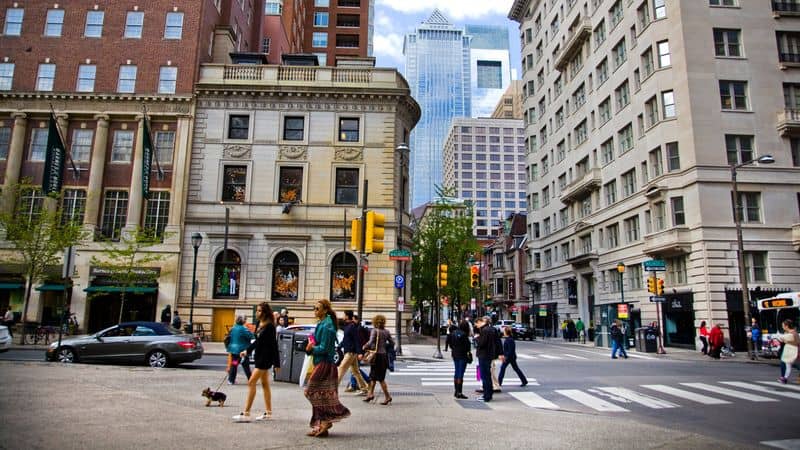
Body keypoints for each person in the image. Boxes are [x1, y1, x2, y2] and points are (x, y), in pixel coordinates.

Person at [304, 300, 350, 437]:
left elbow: (324, 348)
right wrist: (310, 348)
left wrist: (311, 349)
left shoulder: (327, 326)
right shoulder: (323, 324)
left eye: (317, 308)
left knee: (310, 391)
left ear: (325, 310)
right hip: (320, 362)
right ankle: (321, 425)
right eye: (314, 308)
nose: (315, 311)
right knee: (320, 393)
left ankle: (325, 421)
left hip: (325, 364)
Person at [233, 303, 280, 422]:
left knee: (251, 382)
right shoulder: (259, 324)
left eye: (259, 311)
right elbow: (257, 341)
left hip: (265, 358)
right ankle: (269, 413)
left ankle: (246, 413)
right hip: (259, 356)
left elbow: (274, 345)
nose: (257, 313)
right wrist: (247, 351)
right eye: (257, 310)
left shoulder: (270, 326)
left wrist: (277, 363)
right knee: (265, 384)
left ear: (265, 313)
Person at [362, 314, 395, 405]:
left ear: (375, 322)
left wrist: (364, 346)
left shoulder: (374, 331)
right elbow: (392, 343)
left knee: (380, 379)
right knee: (373, 377)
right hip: (383, 356)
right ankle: (370, 394)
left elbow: (371, 342)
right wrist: (384, 346)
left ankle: (388, 396)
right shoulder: (386, 332)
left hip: (376, 357)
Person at [337, 310, 368, 394]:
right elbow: (346, 339)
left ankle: (333, 389)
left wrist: (360, 352)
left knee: (341, 368)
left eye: (344, 315)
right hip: (349, 351)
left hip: (351, 352)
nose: (343, 316)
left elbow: (356, 340)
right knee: (356, 372)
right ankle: (364, 388)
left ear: (347, 316)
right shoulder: (347, 326)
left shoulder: (352, 326)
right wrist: (340, 346)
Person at [474, 316, 498, 402]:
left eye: (476, 324)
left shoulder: (484, 330)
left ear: (480, 322)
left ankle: (486, 396)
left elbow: (481, 343)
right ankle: (488, 394)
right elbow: (496, 342)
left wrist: (476, 338)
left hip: (484, 355)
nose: (476, 326)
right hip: (489, 354)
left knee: (485, 376)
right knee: (487, 376)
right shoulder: (491, 329)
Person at [447, 319, 471, 399]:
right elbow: (467, 347)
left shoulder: (453, 333)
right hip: (462, 355)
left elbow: (450, 344)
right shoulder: (464, 335)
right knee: (461, 373)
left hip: (455, 354)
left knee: (457, 372)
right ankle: (459, 392)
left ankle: (456, 391)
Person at [227, 315, 254, 385]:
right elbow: (251, 336)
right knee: (246, 365)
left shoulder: (233, 328)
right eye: (245, 320)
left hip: (233, 350)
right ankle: (250, 379)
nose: (246, 321)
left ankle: (231, 380)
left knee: (234, 365)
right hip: (242, 351)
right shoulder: (243, 329)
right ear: (243, 321)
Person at [777, 319, 799, 384]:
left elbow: (797, 342)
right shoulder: (787, 333)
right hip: (788, 350)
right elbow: (783, 340)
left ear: (787, 326)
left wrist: (785, 340)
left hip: (793, 350)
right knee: (788, 364)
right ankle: (784, 378)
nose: (782, 327)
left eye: (783, 326)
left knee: (795, 365)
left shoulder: (793, 333)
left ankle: (784, 378)